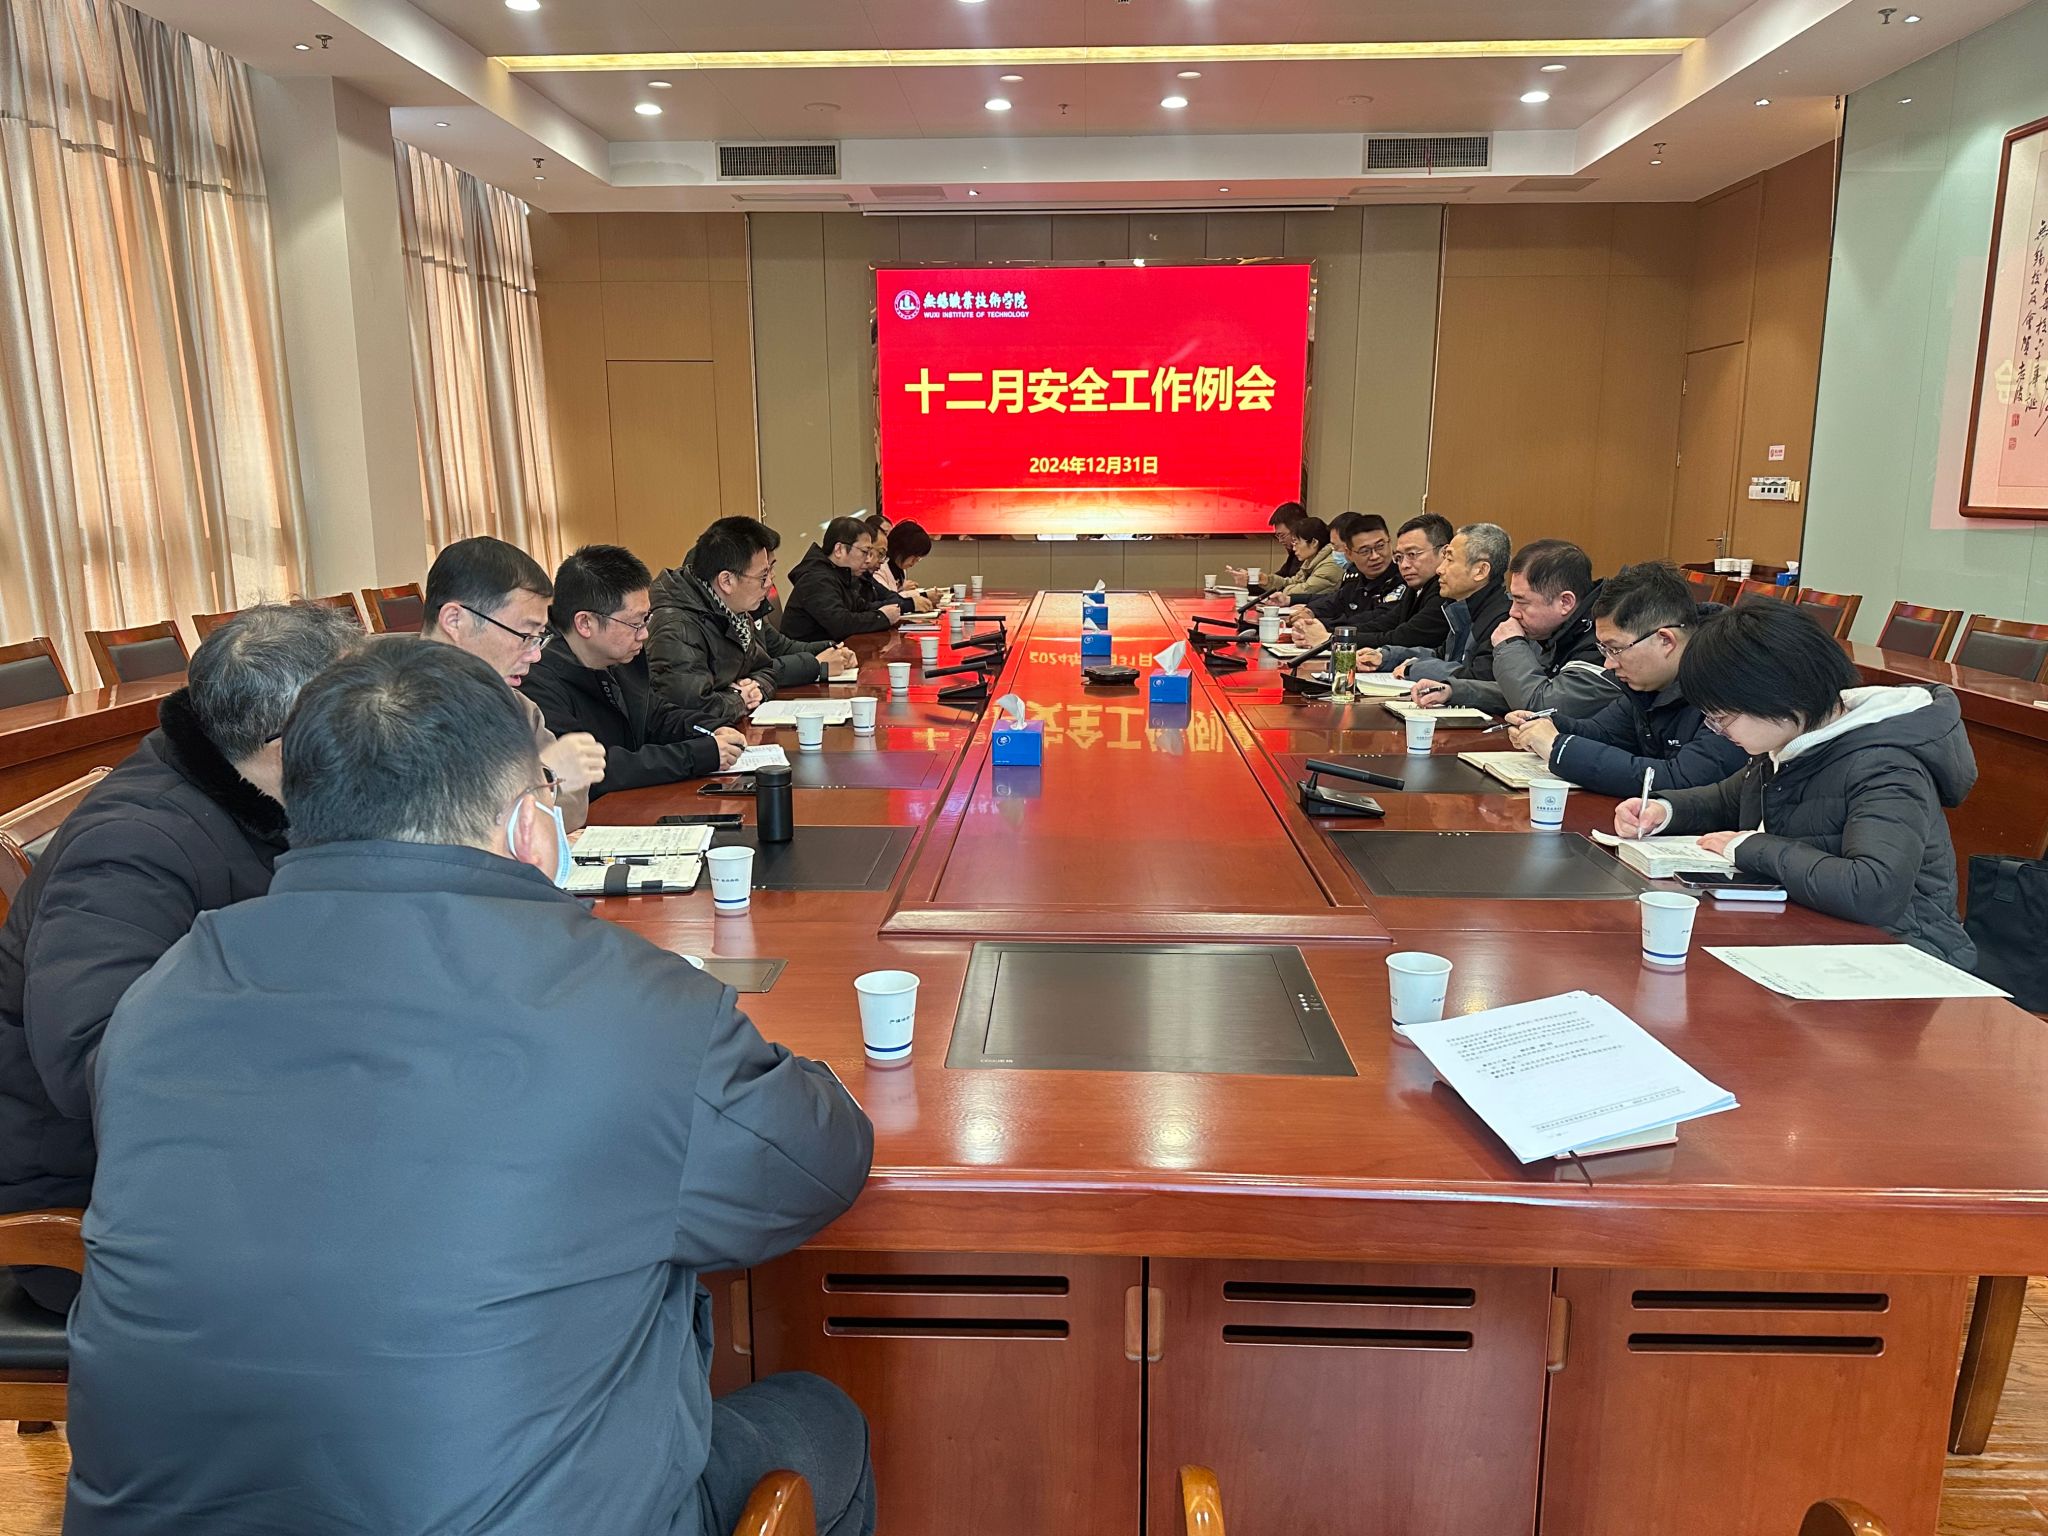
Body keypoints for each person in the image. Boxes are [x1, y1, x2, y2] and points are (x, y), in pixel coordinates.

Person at [64, 641, 878, 1536]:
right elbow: (817, 1163)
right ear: (531, 824)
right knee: (821, 1416)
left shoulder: (162, 992)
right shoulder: (630, 1004)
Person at [0, 603, 360, 1314]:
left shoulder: (260, 797)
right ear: (293, 742)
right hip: (107, 1205)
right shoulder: (132, 846)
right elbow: (99, 1062)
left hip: (221, 1157)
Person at [1614, 601, 1977, 966]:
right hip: (1820, 934)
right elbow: (1729, 797)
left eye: (1723, 717)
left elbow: (1873, 890)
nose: (1719, 731)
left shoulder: (1886, 766)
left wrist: (1751, 848)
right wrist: (1664, 810)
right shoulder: (1793, 740)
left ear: (1776, 695)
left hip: (1904, 956)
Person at [523, 545, 749, 796]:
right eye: (634, 623)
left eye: (646, 619)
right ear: (585, 623)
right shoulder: (536, 679)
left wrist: (709, 728)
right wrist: (698, 755)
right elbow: (591, 770)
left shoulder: (621, 654)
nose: (644, 634)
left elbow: (654, 716)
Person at [1509, 561, 1749, 797]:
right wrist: (1547, 725)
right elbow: (1605, 734)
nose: (1608, 664)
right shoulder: (1649, 682)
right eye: (1604, 649)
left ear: (1666, 641)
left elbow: (1681, 780)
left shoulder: (1730, 684)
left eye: (1615, 649)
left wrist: (1558, 748)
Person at [422, 535, 604, 832]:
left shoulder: (518, 707)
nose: (536, 655)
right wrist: (543, 777)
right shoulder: (386, 709)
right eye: (524, 635)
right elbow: (438, 831)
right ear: (455, 620)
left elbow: (569, 815)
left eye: (540, 637)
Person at [646, 517, 858, 727]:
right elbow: (689, 711)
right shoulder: (676, 627)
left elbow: (765, 668)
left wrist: (756, 687)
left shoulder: (734, 611)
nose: (769, 584)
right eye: (762, 576)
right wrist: (738, 699)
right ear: (726, 581)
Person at [1414, 539, 1616, 717]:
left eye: (1522, 602)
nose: (1513, 612)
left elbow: (1543, 705)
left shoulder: (1604, 641)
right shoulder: (1562, 630)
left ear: (1565, 602)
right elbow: (1522, 692)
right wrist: (1454, 691)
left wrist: (1510, 645)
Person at [1364, 521, 1511, 682]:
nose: (1440, 569)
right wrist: (1387, 656)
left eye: (1450, 560)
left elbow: (1479, 677)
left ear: (1480, 571)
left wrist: (1415, 669)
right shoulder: (1463, 608)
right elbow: (1442, 655)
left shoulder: (1503, 619)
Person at [1290, 512, 1452, 653]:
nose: (1404, 565)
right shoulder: (1417, 587)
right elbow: (1383, 623)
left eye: (1412, 554)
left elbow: (1404, 637)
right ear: (1349, 554)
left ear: (1444, 553)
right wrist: (1328, 632)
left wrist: (1331, 638)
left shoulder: (1446, 592)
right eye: (1400, 557)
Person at [783, 516, 904, 642]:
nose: (868, 560)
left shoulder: (841, 574)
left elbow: (861, 607)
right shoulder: (816, 579)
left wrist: (891, 610)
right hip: (810, 652)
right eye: (864, 552)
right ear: (839, 550)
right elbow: (841, 624)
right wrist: (882, 617)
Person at [1294, 513, 1402, 628]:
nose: (1375, 556)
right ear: (1349, 554)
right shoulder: (1355, 577)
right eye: (1365, 551)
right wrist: (1310, 611)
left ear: (1390, 542)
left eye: (1380, 546)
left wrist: (1320, 624)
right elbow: (1335, 601)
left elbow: (1375, 620)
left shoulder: (1403, 577)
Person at [1226, 500, 1306, 587]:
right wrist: (1250, 580)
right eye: (1278, 536)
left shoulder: (1310, 557)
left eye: (1282, 535)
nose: (1280, 540)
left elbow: (1294, 587)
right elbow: (1278, 580)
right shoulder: (1294, 555)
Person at [1261, 516, 1341, 602]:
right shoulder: (1311, 560)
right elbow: (1294, 581)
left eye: (1296, 543)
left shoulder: (1331, 563)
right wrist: (1267, 580)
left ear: (1314, 542)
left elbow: (1305, 590)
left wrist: (1281, 591)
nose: (1294, 548)